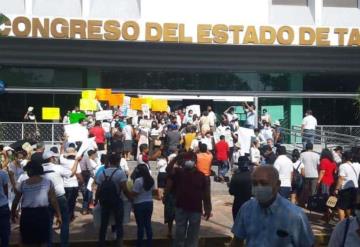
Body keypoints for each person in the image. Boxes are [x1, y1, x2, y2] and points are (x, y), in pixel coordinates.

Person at [230, 166, 314, 247]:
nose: (259, 187)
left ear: (277, 184)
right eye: (255, 183)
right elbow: (237, 241)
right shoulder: (246, 209)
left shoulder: (295, 216)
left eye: (264, 183)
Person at [11, 161, 62, 247]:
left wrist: (13, 213)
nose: (27, 173)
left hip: (27, 214)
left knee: (26, 241)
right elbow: (53, 200)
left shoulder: (23, 184)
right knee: (43, 240)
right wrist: (59, 214)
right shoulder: (48, 182)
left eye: (27, 170)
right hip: (42, 213)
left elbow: (16, 200)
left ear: (31, 171)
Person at [167, 151, 212, 247]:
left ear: (195, 161)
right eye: (186, 159)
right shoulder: (179, 172)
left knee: (193, 235)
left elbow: (206, 193)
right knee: (179, 234)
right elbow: (168, 169)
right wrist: (177, 157)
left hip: (195, 209)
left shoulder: (201, 175)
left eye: (191, 159)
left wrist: (208, 208)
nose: (189, 161)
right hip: (181, 207)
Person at [42, 150, 80, 247]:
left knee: (48, 222)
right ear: (51, 158)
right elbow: (71, 173)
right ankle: (64, 244)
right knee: (64, 221)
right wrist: (76, 161)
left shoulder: (40, 169)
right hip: (59, 197)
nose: (55, 158)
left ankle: (48, 244)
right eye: (54, 157)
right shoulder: (58, 167)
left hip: (46, 199)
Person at [95, 153, 131, 247]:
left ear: (109, 161)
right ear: (118, 161)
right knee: (119, 223)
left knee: (104, 223)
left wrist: (96, 200)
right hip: (117, 201)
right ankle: (119, 243)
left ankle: (101, 243)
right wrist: (131, 198)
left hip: (104, 201)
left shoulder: (102, 173)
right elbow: (124, 188)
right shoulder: (120, 173)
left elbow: (98, 189)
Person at [130, 164, 159, 247]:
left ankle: (140, 244)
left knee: (140, 226)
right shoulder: (151, 180)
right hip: (149, 203)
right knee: (148, 224)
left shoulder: (138, 181)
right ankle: (149, 243)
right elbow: (154, 192)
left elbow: (134, 193)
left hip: (139, 204)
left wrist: (129, 192)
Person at [335, 151, 360, 221]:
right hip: (355, 188)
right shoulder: (357, 165)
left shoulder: (343, 166)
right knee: (350, 207)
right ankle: (350, 223)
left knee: (340, 207)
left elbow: (341, 178)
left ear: (344, 158)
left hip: (345, 189)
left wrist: (336, 188)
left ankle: (342, 224)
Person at [228, 156, 252, 221]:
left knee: (237, 225)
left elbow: (231, 192)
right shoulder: (253, 175)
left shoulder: (235, 176)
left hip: (238, 203)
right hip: (250, 203)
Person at [0, 166, 10, 247]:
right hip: (2, 204)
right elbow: (6, 189)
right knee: (5, 232)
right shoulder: (2, 174)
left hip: (3, 205)